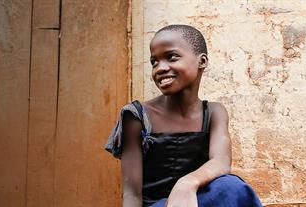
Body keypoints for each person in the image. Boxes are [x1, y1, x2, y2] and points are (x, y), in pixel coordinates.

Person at [104, 24, 263, 207]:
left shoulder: (214, 112)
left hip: (197, 199)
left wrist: (187, 184)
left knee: (232, 186)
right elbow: (132, 193)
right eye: (154, 62)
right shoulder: (137, 116)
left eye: (171, 57)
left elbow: (221, 162)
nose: (160, 68)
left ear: (202, 61)